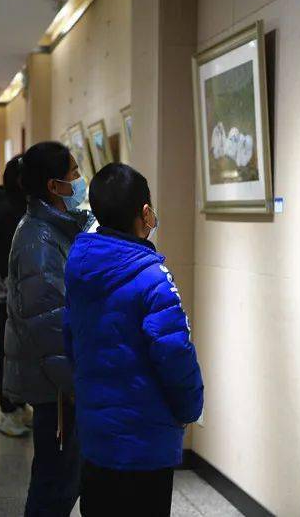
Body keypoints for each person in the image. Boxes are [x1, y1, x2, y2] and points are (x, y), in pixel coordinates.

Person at [64, 163, 204, 517]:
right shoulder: (153, 277)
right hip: (145, 444)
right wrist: (190, 409)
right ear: (145, 213)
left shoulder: (79, 267)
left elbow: (69, 339)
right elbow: (175, 354)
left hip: (96, 436)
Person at [4, 141, 93, 516]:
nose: (80, 181)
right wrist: (74, 388)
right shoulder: (38, 241)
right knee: (54, 487)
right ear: (54, 186)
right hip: (55, 390)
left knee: (58, 480)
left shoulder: (54, 229)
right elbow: (49, 326)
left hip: (56, 384)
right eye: (74, 174)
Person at [0, 157, 31, 437]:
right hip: (8, 299)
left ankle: (18, 405)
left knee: (18, 353)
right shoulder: (8, 212)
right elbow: (0, 254)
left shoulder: (17, 209)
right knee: (6, 352)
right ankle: (9, 410)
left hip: (18, 297)